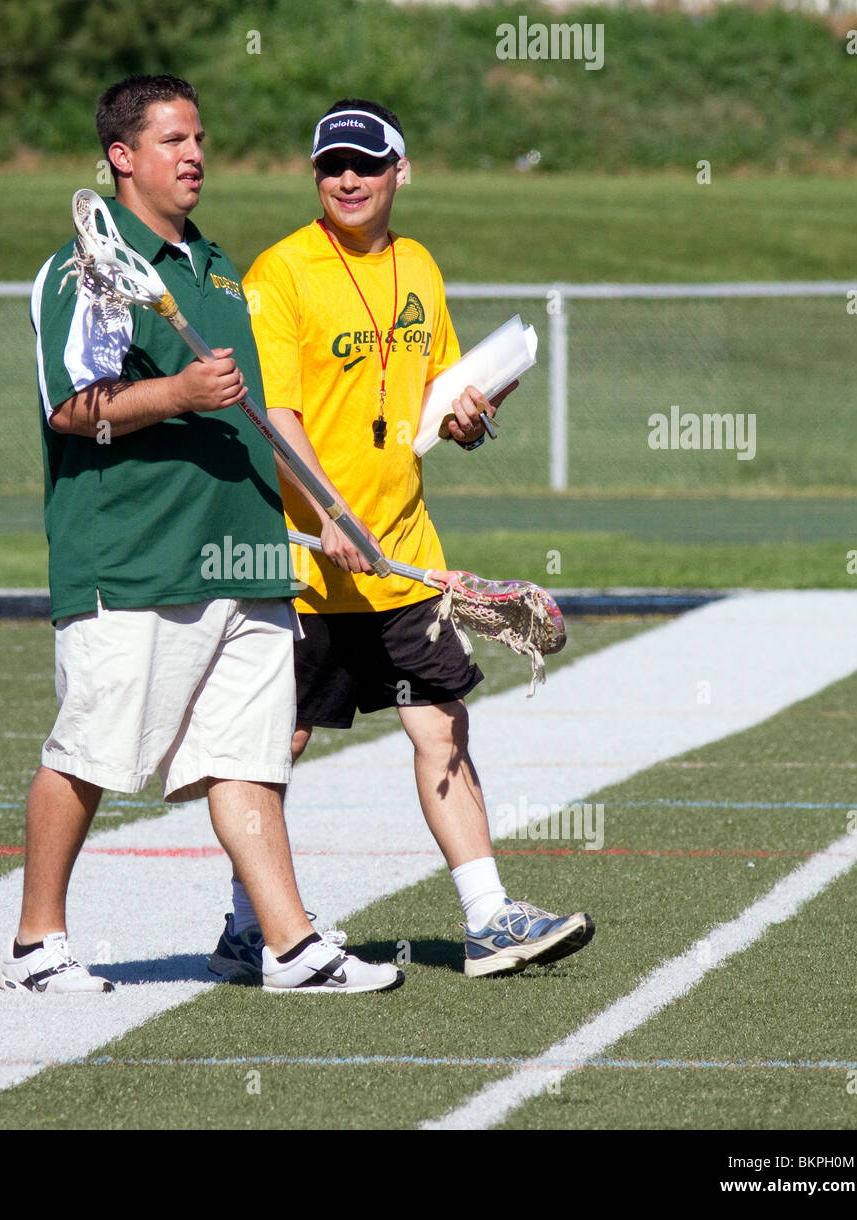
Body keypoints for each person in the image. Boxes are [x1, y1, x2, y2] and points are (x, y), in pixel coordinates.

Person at [0, 76, 402, 996]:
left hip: (247, 559)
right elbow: (71, 409)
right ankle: (37, 944)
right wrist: (177, 394)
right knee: (90, 754)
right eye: (172, 140)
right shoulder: (85, 272)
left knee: (249, 762)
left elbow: (261, 417)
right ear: (121, 157)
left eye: (199, 138)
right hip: (138, 562)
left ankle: (289, 946)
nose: (194, 155)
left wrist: (324, 519)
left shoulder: (218, 268)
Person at [208, 98, 594, 981]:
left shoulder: (418, 266)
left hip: (401, 551)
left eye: (367, 164)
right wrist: (332, 516)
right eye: (332, 166)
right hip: (307, 558)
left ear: (399, 172)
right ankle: (247, 921)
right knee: (280, 743)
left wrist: (474, 414)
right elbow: (277, 415)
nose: (348, 179)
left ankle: (490, 919)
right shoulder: (280, 273)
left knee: (441, 723)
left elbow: (437, 401)